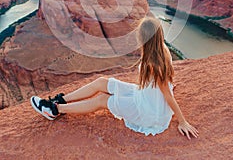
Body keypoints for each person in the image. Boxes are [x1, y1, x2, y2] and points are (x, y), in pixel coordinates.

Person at [30, 17, 198, 139]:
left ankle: (55, 110)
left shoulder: (154, 64)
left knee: (102, 100)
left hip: (149, 111)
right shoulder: (162, 49)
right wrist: (166, 88)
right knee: (102, 82)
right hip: (145, 96)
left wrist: (182, 121)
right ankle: (62, 100)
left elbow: (167, 94)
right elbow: (167, 85)